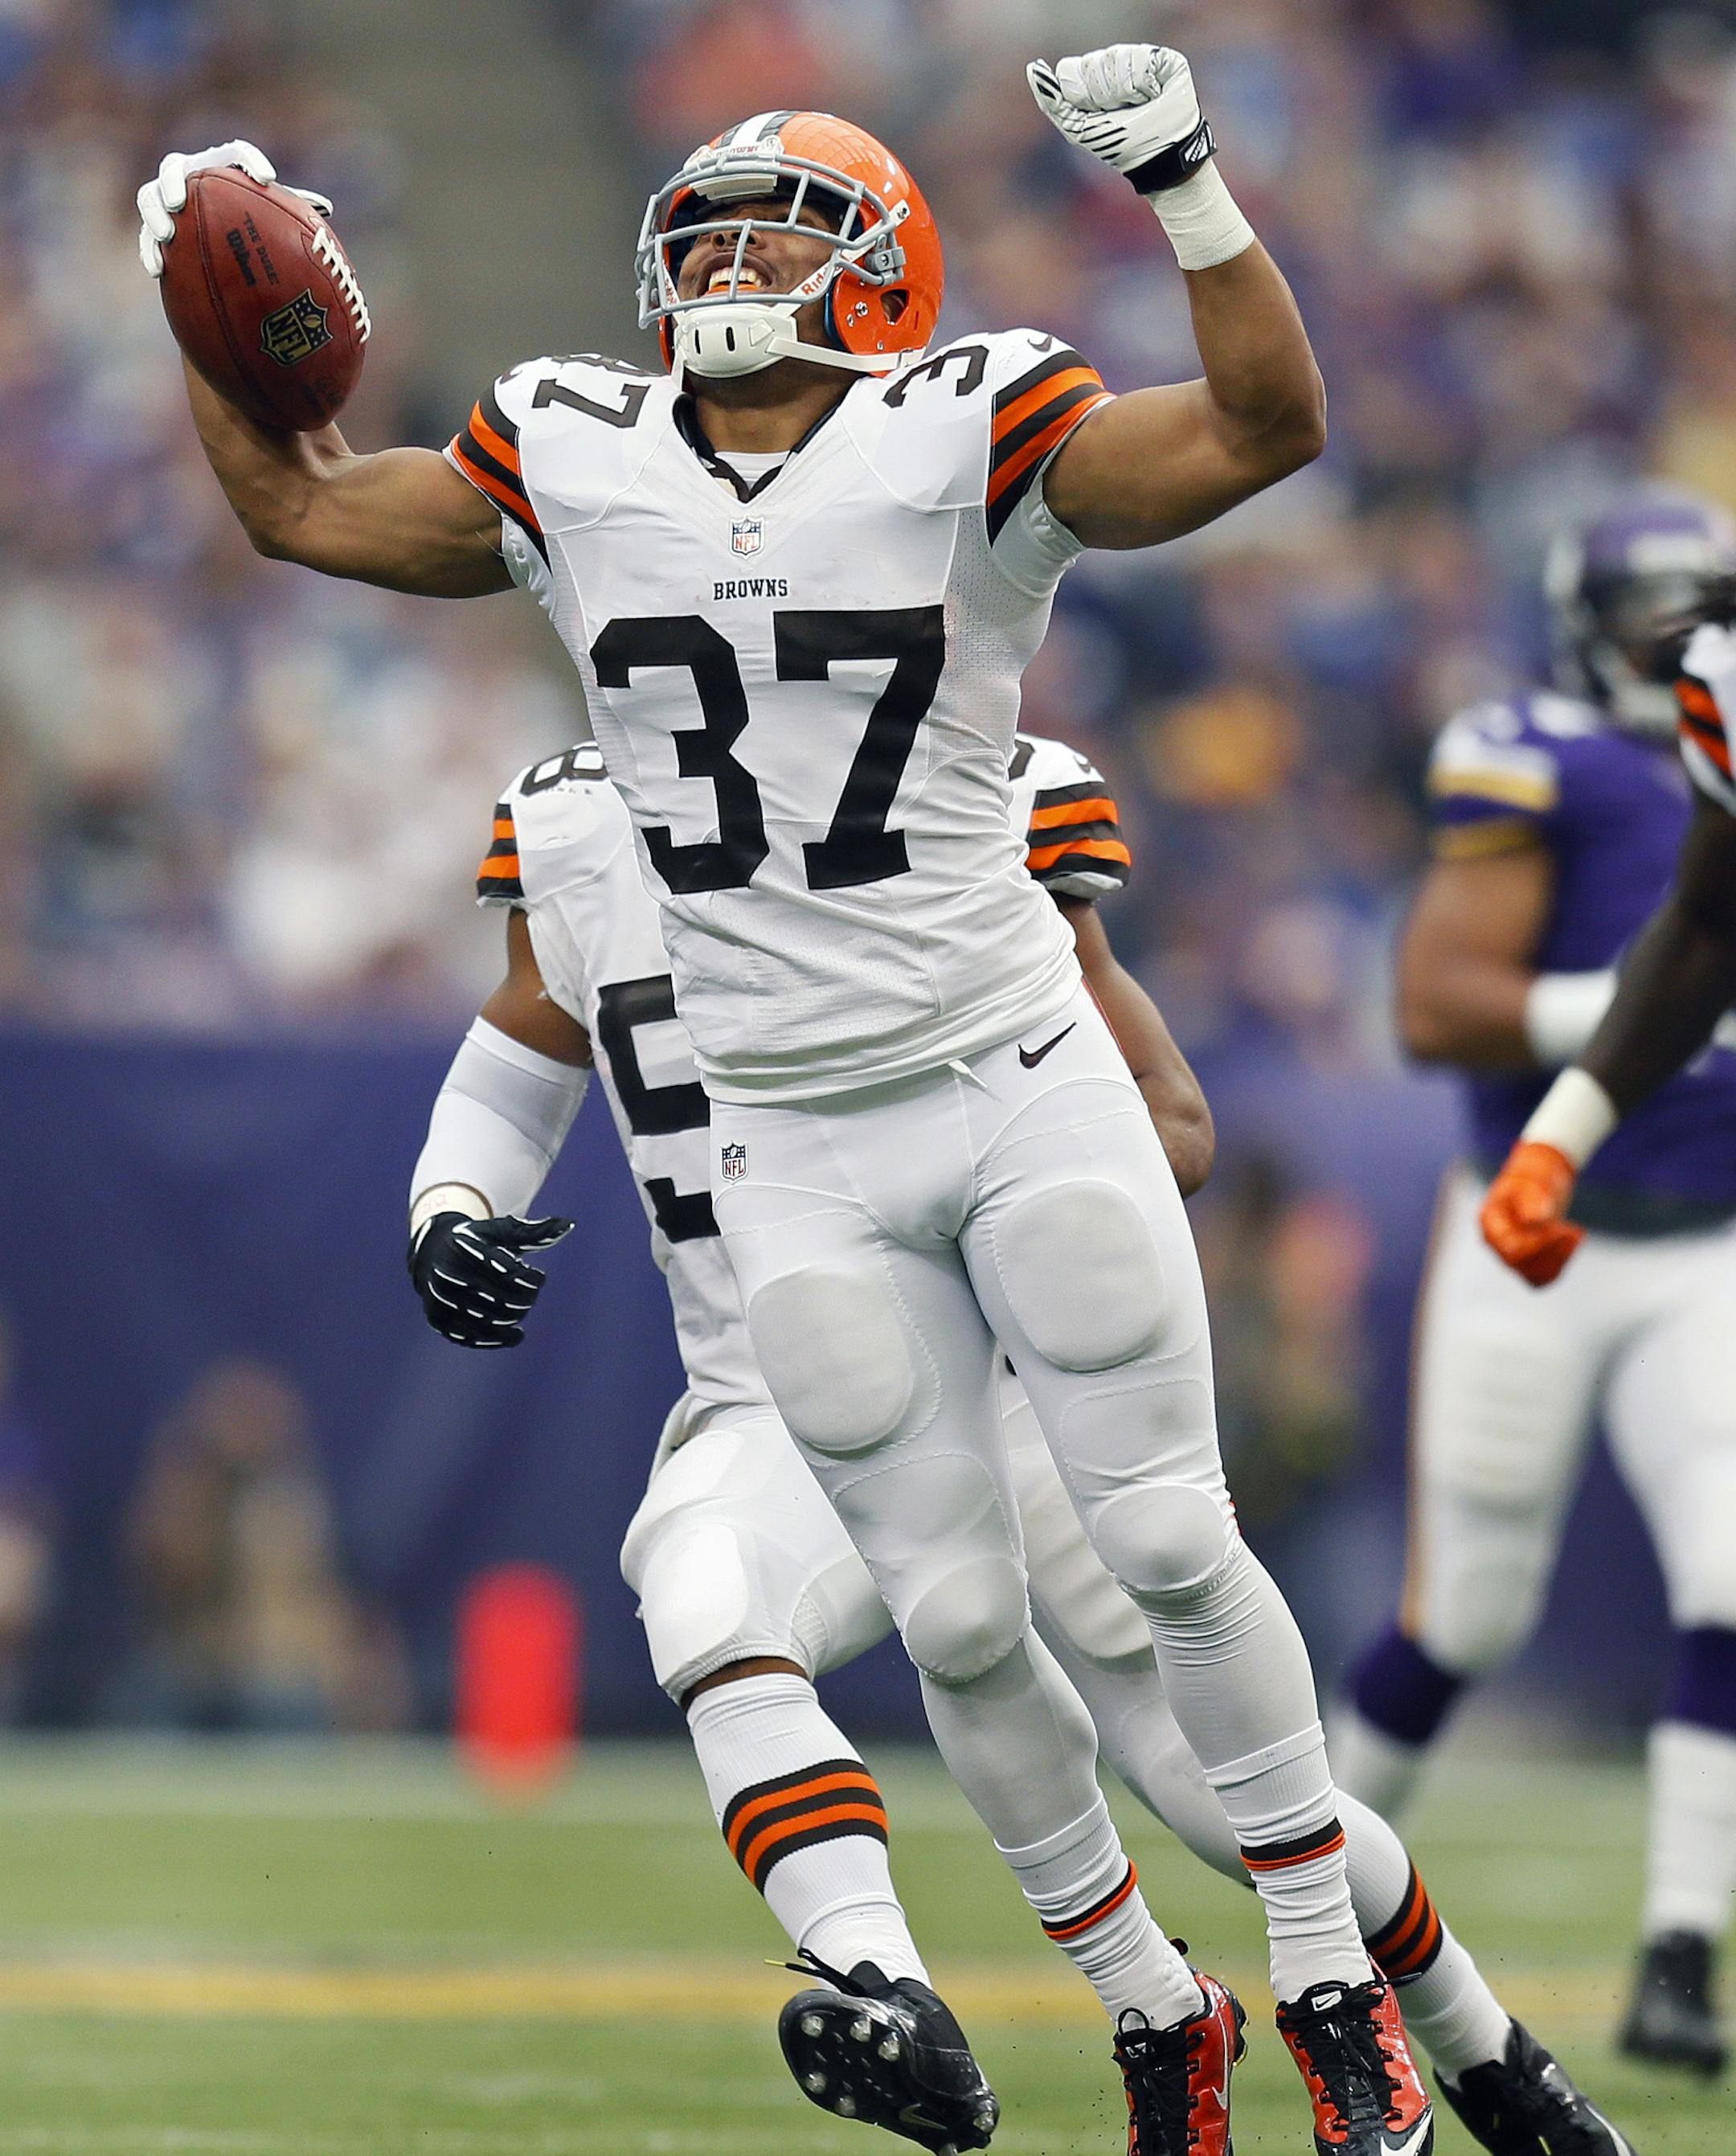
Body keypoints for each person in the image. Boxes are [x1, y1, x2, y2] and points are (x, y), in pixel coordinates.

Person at [141, 47, 1430, 2149]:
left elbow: (1268, 429)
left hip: (1010, 1070)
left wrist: (1188, 187)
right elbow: (296, 499)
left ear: (887, 280)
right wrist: (205, 307)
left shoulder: (969, 424)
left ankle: (1324, 1982)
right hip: (795, 1139)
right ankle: (1140, 2010)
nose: (733, 261)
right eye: (707, 230)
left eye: (784, 229)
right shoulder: (572, 452)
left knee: (1174, 1542)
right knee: (946, 1615)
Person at [407, 735, 1631, 2155]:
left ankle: (1484, 2050)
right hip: (781, 1374)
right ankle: (937, 1995)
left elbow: (1168, 1120)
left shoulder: (948, 767)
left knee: (1216, 1794)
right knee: (713, 1602)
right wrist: (446, 1198)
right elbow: (520, 1046)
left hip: (1014, 1363)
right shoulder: (578, 821)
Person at [1338, 494, 1736, 2078]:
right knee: (1468, 1614)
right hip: (1539, 1232)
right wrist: (1612, 1056)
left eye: (1699, 604)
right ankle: (1314, 1912)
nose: (1675, 637)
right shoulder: (1535, 754)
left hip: (1715, 1238)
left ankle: (1684, 1955)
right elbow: (1440, 1009)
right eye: (1653, 608)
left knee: (1733, 1578)